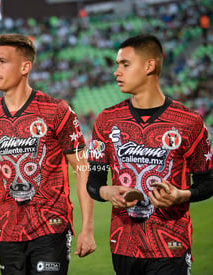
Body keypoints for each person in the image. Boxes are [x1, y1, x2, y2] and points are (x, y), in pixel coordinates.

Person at [0, 33, 96, 275]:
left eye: (2, 61)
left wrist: (87, 227)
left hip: (51, 227)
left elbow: (82, 167)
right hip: (7, 230)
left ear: (25, 67)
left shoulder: (56, 110)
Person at [87, 34, 213, 275]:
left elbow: (208, 182)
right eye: (117, 65)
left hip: (170, 247)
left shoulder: (189, 122)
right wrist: (106, 191)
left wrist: (181, 195)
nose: (116, 72)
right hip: (122, 246)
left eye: (125, 64)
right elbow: (94, 180)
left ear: (149, 66)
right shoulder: (106, 120)